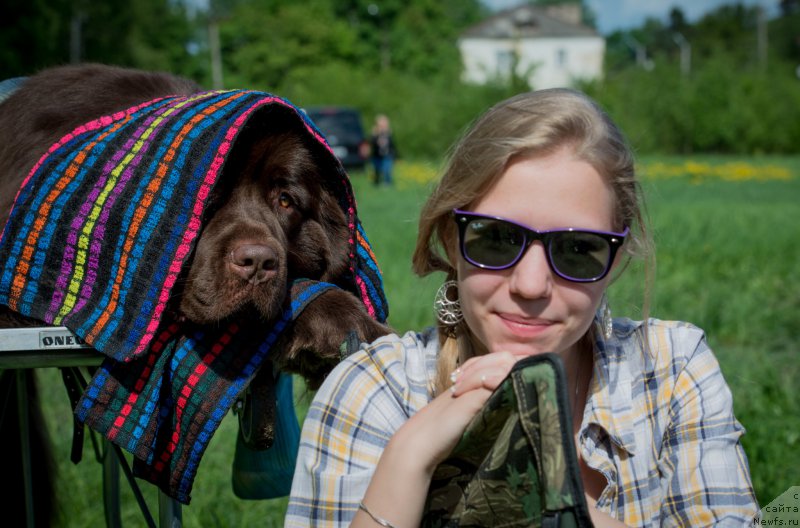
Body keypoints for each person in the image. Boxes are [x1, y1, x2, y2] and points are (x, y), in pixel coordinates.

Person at [285, 88, 758, 527]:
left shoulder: (671, 369)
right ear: (451, 238)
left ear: (615, 260)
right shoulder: (374, 391)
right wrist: (408, 459)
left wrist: (555, 481)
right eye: (496, 239)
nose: (531, 285)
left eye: (578, 249)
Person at [370, 114, 397, 186]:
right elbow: (372, 143)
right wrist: (377, 140)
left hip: (387, 154)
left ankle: (388, 183)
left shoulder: (388, 133)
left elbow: (392, 144)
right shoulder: (375, 133)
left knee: (387, 169)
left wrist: (395, 155)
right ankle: (376, 183)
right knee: (377, 170)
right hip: (377, 155)